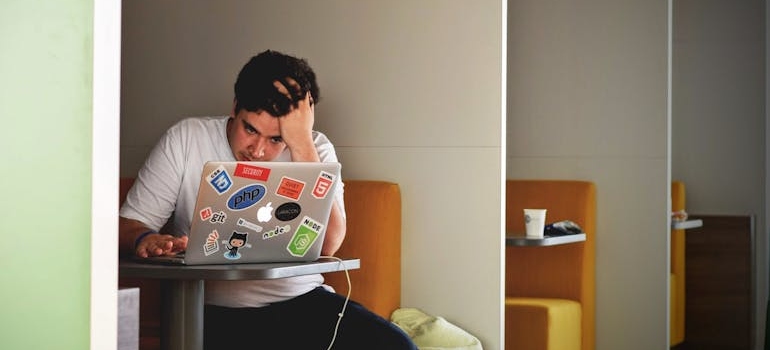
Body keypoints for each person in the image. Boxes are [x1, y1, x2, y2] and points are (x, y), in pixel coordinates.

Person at [119, 50, 417, 350]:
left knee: (397, 347)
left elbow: (329, 244)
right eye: (250, 129)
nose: (257, 151)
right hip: (210, 312)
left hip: (301, 302)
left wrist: (301, 143)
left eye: (276, 139)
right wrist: (145, 238)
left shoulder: (315, 149)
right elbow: (128, 225)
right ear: (235, 107)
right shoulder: (186, 138)